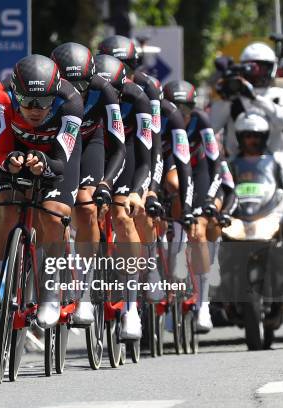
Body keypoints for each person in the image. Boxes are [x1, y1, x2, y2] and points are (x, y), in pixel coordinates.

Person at [0, 54, 84, 329]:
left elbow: (60, 161)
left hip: (57, 159)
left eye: (44, 102)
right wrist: (10, 161)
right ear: (14, 93)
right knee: (5, 212)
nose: (36, 109)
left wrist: (44, 164)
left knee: (53, 217)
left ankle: (49, 295)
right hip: (16, 152)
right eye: (28, 101)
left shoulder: (71, 102)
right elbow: (1, 146)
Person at [50, 42, 126, 325]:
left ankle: (83, 290)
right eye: (68, 83)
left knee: (87, 206)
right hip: (54, 140)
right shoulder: (44, 88)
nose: (75, 90)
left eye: (81, 84)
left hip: (89, 140)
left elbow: (118, 146)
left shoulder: (103, 90)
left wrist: (106, 182)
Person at [92, 50, 153, 339]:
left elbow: (145, 157)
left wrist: (139, 191)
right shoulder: (84, 93)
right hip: (94, 147)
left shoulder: (138, 98)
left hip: (126, 151)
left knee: (121, 213)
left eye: (112, 93)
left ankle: (131, 309)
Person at [163, 80, 223, 331]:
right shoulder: (162, 118)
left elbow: (216, 163)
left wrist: (208, 199)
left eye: (186, 109)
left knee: (198, 231)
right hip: (170, 165)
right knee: (172, 189)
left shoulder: (202, 120)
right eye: (175, 108)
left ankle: (203, 305)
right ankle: (166, 295)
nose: (181, 115)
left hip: (199, 170)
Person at [210, 42, 283, 155]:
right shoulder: (233, 97)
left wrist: (254, 98)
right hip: (237, 167)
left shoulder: (279, 94)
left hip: (275, 167)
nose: (256, 73)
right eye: (250, 68)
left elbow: (281, 121)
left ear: (271, 68)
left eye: (262, 68)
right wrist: (225, 97)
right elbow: (212, 127)